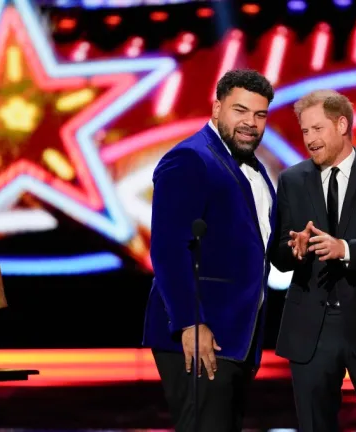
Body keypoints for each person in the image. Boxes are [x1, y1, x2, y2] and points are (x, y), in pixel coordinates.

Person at [142, 69, 276, 432]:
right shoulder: (190, 159)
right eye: (240, 110)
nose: (251, 122)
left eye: (260, 114)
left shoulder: (252, 167)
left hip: (236, 336)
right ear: (217, 108)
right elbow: (169, 250)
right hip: (201, 333)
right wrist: (190, 322)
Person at [270, 90, 356, 432]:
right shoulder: (292, 180)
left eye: (317, 129)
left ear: (342, 124)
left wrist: (344, 248)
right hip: (310, 330)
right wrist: (295, 249)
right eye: (305, 132)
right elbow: (277, 252)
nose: (310, 140)